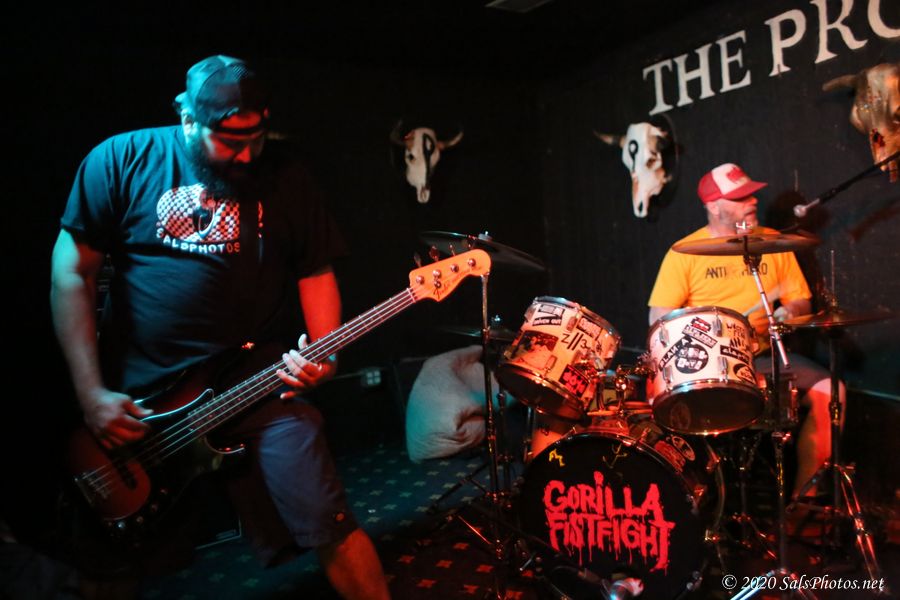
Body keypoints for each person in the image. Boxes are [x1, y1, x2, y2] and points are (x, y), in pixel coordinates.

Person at [50, 55, 390, 599]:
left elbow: (315, 268)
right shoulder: (120, 159)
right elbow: (72, 274)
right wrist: (91, 394)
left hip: (251, 380)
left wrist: (325, 354)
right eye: (230, 141)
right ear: (186, 117)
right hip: (145, 392)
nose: (245, 154)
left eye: (256, 137)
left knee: (329, 518)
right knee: (119, 559)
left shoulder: (286, 175)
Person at [647, 163, 845, 522]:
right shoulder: (685, 252)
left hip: (765, 357)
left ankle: (804, 508)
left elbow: (801, 300)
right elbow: (659, 321)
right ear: (713, 206)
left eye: (751, 195)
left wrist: (790, 311)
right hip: (708, 366)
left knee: (831, 391)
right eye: (740, 198)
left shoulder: (773, 243)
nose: (752, 202)